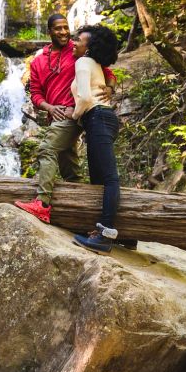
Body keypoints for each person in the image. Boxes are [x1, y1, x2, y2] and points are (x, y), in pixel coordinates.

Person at [15, 14, 116, 223]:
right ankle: (84, 217)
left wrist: (110, 87)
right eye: (58, 28)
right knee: (70, 170)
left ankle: (42, 204)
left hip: (73, 113)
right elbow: (35, 93)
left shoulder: (79, 51)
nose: (63, 32)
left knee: (47, 149)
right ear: (49, 31)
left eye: (65, 28)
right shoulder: (38, 61)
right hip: (56, 116)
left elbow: (105, 70)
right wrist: (49, 107)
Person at [71, 24, 125, 254]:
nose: (74, 42)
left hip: (98, 117)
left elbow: (84, 98)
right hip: (101, 118)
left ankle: (106, 234)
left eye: (79, 40)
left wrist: (73, 116)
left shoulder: (83, 62)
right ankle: (101, 230)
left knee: (109, 178)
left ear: (89, 47)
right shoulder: (95, 65)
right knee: (98, 180)